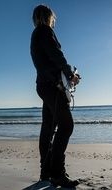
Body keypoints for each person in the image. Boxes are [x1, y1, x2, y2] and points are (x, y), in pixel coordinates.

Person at [30, 4, 80, 187]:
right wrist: (70, 75)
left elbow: (47, 61)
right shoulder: (45, 31)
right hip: (52, 86)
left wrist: (66, 77)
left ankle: (46, 172)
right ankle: (57, 173)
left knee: (48, 129)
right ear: (49, 17)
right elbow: (57, 55)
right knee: (67, 126)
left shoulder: (36, 34)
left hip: (45, 85)